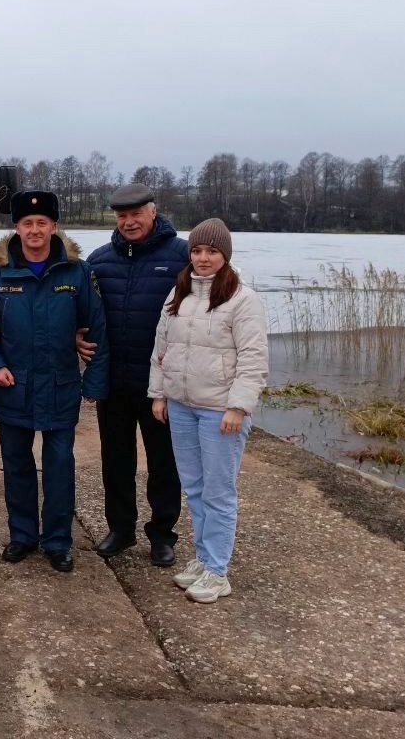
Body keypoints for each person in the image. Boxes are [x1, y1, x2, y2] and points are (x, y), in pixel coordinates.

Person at [0, 190, 109, 572]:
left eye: (42, 223)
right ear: (16, 228)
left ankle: (58, 542)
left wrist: (94, 382)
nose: (34, 230)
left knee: (60, 466)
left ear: (54, 226)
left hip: (61, 386)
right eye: (27, 223)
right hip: (13, 386)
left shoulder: (76, 272)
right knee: (16, 466)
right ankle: (23, 536)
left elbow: (97, 328)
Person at [149, 218, 268, 603]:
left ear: (225, 255)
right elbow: (161, 349)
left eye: (212, 251)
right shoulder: (178, 294)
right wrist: (159, 395)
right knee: (195, 488)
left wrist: (238, 406)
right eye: (197, 251)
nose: (203, 258)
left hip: (220, 411)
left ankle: (218, 571)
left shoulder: (242, 299)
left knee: (218, 492)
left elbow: (253, 358)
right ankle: (203, 559)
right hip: (182, 406)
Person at [87, 183, 190, 567]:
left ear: (153, 212)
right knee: (116, 460)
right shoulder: (99, 260)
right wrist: (78, 339)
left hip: (160, 385)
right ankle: (121, 529)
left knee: (164, 462)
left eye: (135, 214)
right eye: (121, 216)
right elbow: (83, 314)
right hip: (113, 381)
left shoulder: (182, 257)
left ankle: (163, 534)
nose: (128, 222)